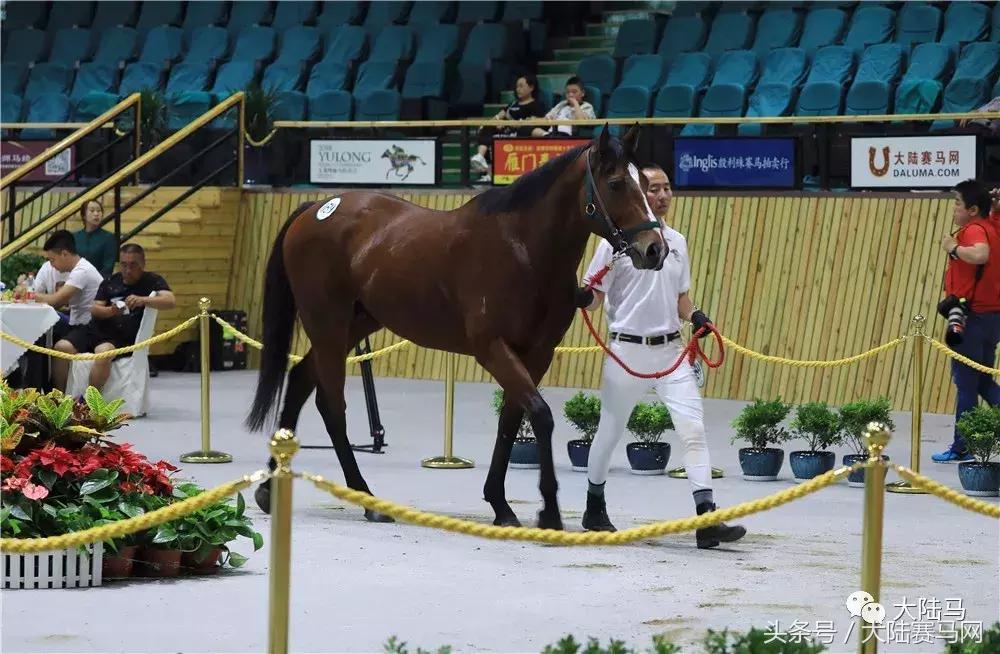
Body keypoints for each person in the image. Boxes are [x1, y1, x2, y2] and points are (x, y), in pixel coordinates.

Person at [576, 163, 747, 549]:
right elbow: (596, 294)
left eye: (667, 188)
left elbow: (680, 297)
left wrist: (695, 315)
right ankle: (594, 506)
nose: (663, 195)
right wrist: (582, 298)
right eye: (654, 189)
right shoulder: (614, 243)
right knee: (609, 432)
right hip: (626, 352)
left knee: (694, 430)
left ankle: (706, 518)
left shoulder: (678, 242)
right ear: (639, 193)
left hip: (671, 352)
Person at [932, 180, 1000, 463]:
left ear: (972, 210)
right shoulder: (992, 225)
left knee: (967, 384)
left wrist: (953, 248)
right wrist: (995, 207)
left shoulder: (973, 230)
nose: (954, 208)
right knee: (982, 380)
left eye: (958, 203)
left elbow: (980, 254)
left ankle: (962, 445)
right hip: (992, 317)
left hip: (973, 319)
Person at [71, 243, 175, 391]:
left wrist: (143, 300)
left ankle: (89, 401)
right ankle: (59, 398)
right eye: (124, 265)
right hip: (96, 329)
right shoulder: (110, 281)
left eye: (133, 265)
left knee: (104, 352)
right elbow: (94, 309)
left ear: (143, 264)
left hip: (122, 337)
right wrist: (111, 311)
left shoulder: (152, 280)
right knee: (62, 347)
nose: (128, 270)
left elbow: (170, 301)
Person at [35, 230, 104, 391]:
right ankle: (43, 387)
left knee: (56, 345)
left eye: (52, 260)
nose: (51, 265)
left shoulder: (82, 271)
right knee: (43, 333)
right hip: (78, 324)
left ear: (64, 254)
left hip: (90, 327)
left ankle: (58, 396)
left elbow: (56, 300)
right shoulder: (78, 269)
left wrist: (29, 296)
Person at [469, 74, 547, 179]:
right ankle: (480, 157)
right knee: (488, 127)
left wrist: (510, 123)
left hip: (521, 134)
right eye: (517, 87)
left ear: (531, 87)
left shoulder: (537, 105)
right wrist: (494, 123)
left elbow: (533, 122)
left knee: (521, 130)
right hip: (506, 131)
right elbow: (499, 116)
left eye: (521, 86)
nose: (518, 89)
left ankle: (491, 174)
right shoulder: (513, 104)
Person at [531, 77, 596, 137]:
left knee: (559, 135)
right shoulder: (562, 104)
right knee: (533, 130)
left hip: (566, 133)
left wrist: (575, 103)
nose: (570, 95)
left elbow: (581, 121)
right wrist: (536, 119)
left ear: (582, 93)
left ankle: (550, 137)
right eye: (567, 92)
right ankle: (547, 135)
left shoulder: (586, 106)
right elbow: (547, 117)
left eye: (574, 92)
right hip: (552, 131)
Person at [73, 199, 118, 278]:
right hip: (75, 279)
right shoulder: (75, 237)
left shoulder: (109, 237)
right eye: (92, 211)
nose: (96, 214)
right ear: (84, 215)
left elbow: (108, 267)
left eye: (99, 211)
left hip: (99, 281)